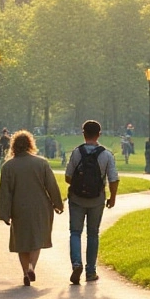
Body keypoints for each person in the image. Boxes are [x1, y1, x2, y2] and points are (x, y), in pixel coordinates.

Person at [0, 131, 64, 285]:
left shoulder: (8, 166)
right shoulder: (41, 163)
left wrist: (4, 213)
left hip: (18, 208)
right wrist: (58, 204)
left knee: (21, 241)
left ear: (13, 146)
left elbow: (4, 192)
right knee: (37, 239)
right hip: (40, 207)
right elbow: (51, 186)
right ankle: (31, 267)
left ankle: (24, 272)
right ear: (30, 144)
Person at [64, 120, 120, 285]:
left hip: (76, 199)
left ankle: (76, 263)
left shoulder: (77, 153)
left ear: (83, 133)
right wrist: (112, 197)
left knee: (75, 232)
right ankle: (90, 271)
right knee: (93, 234)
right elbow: (114, 179)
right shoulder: (107, 155)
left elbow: (68, 177)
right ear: (99, 134)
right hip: (97, 199)